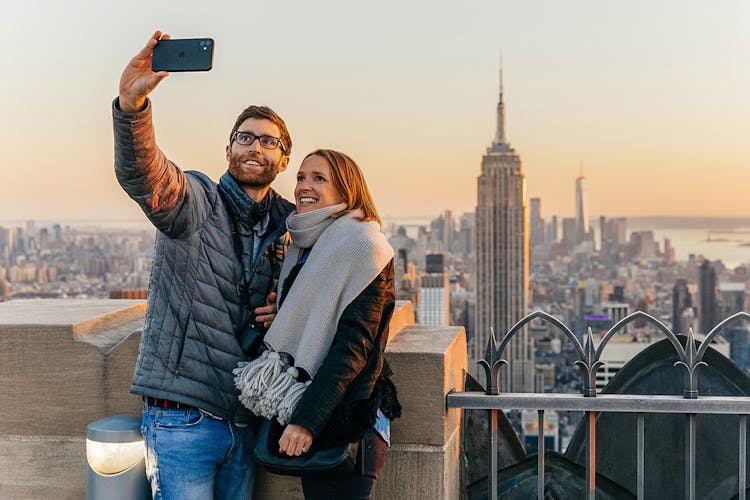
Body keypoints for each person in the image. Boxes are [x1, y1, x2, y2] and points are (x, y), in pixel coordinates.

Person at [113, 31, 295, 499]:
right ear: (228, 149)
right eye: (245, 137)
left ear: (283, 158)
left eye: (268, 142)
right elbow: (147, 175)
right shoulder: (197, 201)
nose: (256, 147)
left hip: (245, 418)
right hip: (183, 416)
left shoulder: (292, 227)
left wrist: (287, 311)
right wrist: (132, 107)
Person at [234, 149, 401, 499]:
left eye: (319, 178)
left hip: (346, 415)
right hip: (314, 402)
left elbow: (352, 348)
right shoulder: (307, 245)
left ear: (346, 191)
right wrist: (285, 314)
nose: (303, 186)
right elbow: (318, 318)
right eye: (300, 177)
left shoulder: (362, 246)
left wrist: (306, 421)